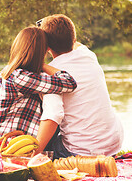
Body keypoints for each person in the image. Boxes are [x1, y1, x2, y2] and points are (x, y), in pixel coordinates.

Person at [33, 14, 124, 158]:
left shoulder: (51, 76)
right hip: (113, 143)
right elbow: (73, 41)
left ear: (47, 46)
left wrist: (32, 155)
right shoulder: (87, 55)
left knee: (41, 137)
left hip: (82, 151)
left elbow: (53, 116)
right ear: (74, 38)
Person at [0, 26, 77, 141]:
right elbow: (69, 82)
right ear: (43, 51)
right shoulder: (20, 78)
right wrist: (43, 64)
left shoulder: (11, 72)